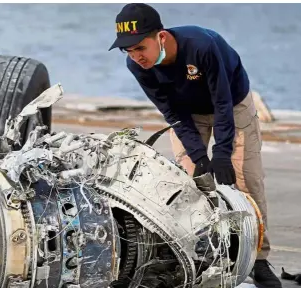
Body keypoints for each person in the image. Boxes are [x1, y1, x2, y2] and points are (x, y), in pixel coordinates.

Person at [109, 3, 281, 288]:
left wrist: (222, 152)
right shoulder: (137, 66)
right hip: (187, 112)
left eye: (140, 47)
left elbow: (223, 103)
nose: (136, 56)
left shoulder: (202, 46)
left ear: (160, 37)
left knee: (246, 181)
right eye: (128, 50)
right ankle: (206, 255)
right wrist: (200, 157)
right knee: (190, 185)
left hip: (232, 103)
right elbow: (173, 114)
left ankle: (259, 261)